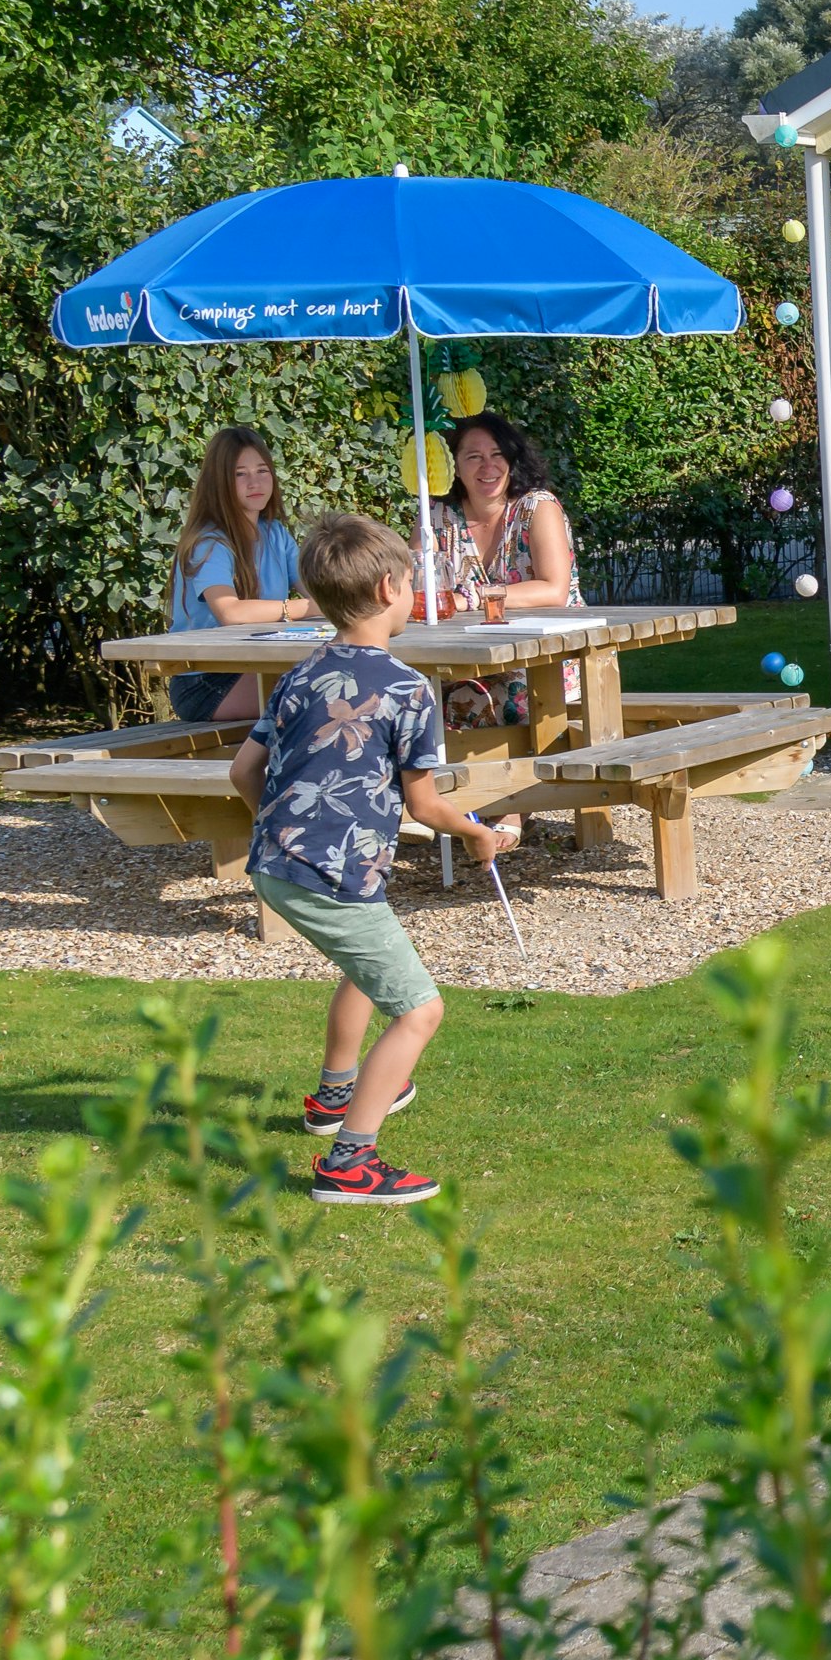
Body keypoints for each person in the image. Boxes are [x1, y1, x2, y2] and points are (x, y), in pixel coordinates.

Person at [226, 511, 506, 1207]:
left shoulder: (300, 675)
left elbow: (241, 773)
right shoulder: (407, 688)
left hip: (274, 864)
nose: (414, 592)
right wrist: (477, 835)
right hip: (332, 873)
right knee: (418, 1012)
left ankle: (332, 1099)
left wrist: (286, 830)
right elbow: (424, 805)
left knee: (365, 966)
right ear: (389, 588)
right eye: (413, 581)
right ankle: (349, 1163)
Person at [424, 410, 584, 731]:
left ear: (512, 459)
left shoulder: (537, 507)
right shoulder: (437, 516)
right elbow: (412, 584)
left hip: (545, 663)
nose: (488, 466)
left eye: (497, 454)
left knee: (448, 708)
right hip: (467, 663)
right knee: (404, 701)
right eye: (474, 456)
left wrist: (473, 598)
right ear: (454, 465)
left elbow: (554, 590)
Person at [164, 427, 311, 725]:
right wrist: (306, 608)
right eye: (240, 474)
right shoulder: (209, 542)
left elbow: (318, 588)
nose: (254, 482)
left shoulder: (275, 533)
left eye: (262, 470)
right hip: (206, 682)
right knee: (319, 695)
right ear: (219, 483)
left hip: (258, 665)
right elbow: (229, 611)